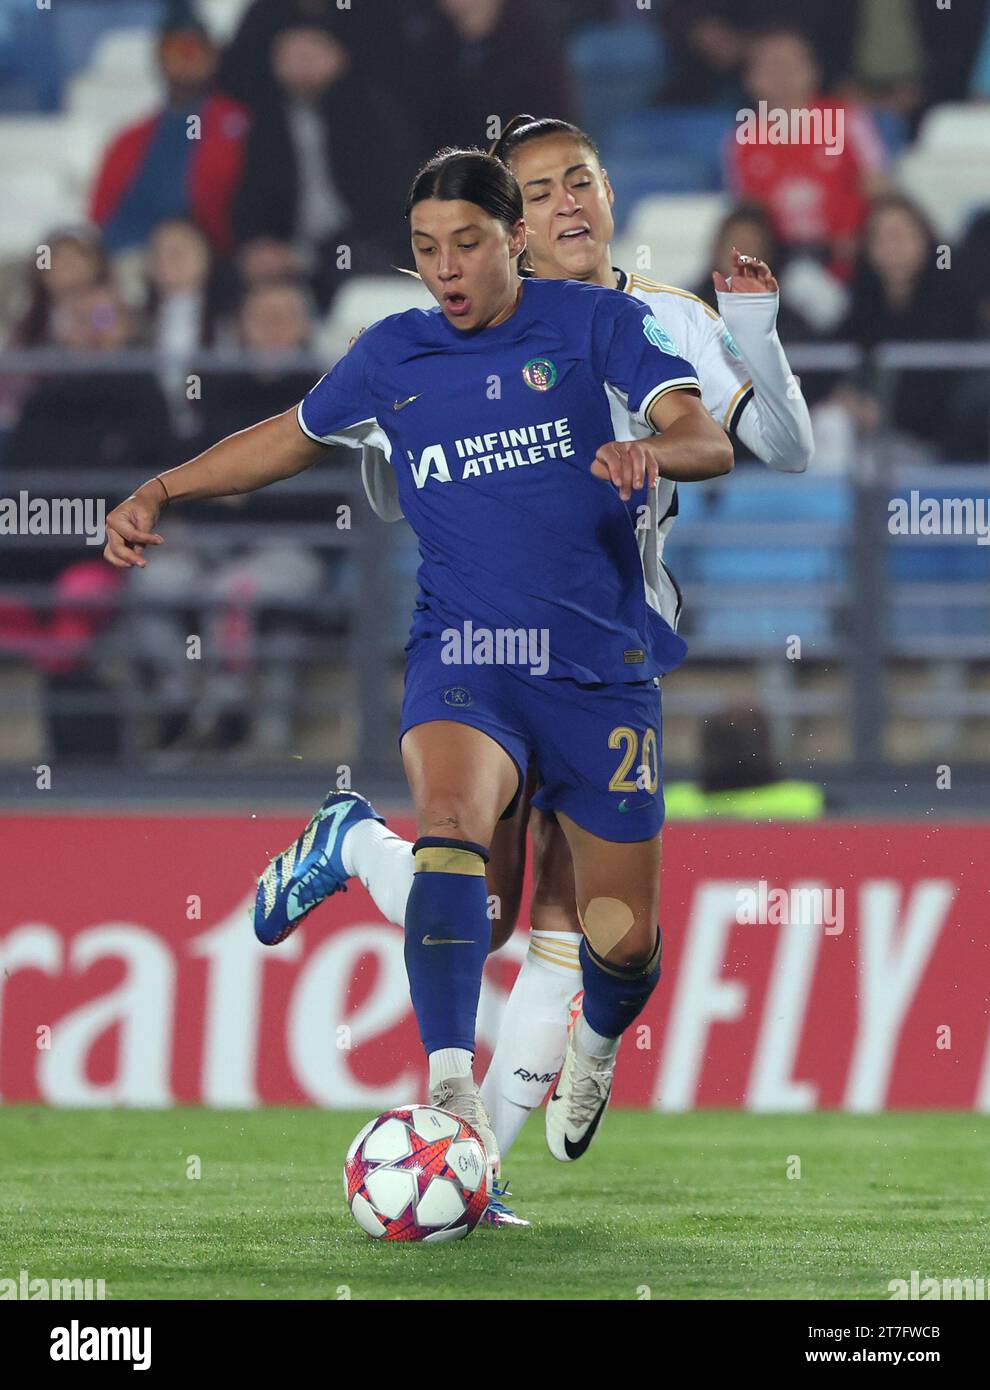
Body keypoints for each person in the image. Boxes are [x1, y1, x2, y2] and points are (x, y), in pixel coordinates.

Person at [104, 148, 733, 1203]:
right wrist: (164, 488)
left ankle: (576, 1026)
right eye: (427, 250)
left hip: (599, 670)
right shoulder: (393, 353)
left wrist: (653, 455)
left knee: (622, 949)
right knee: (451, 827)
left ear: (514, 239)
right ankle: (452, 1094)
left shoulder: (597, 326)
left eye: (469, 244)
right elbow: (291, 438)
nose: (447, 268)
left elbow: (704, 436)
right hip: (468, 653)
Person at [89, 14, 249, 255]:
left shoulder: (244, 127)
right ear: (159, 60)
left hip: (220, 260)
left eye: (195, 51)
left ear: (213, 57)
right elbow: (100, 215)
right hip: (134, 259)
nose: (186, 60)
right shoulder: (130, 140)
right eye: (176, 52)